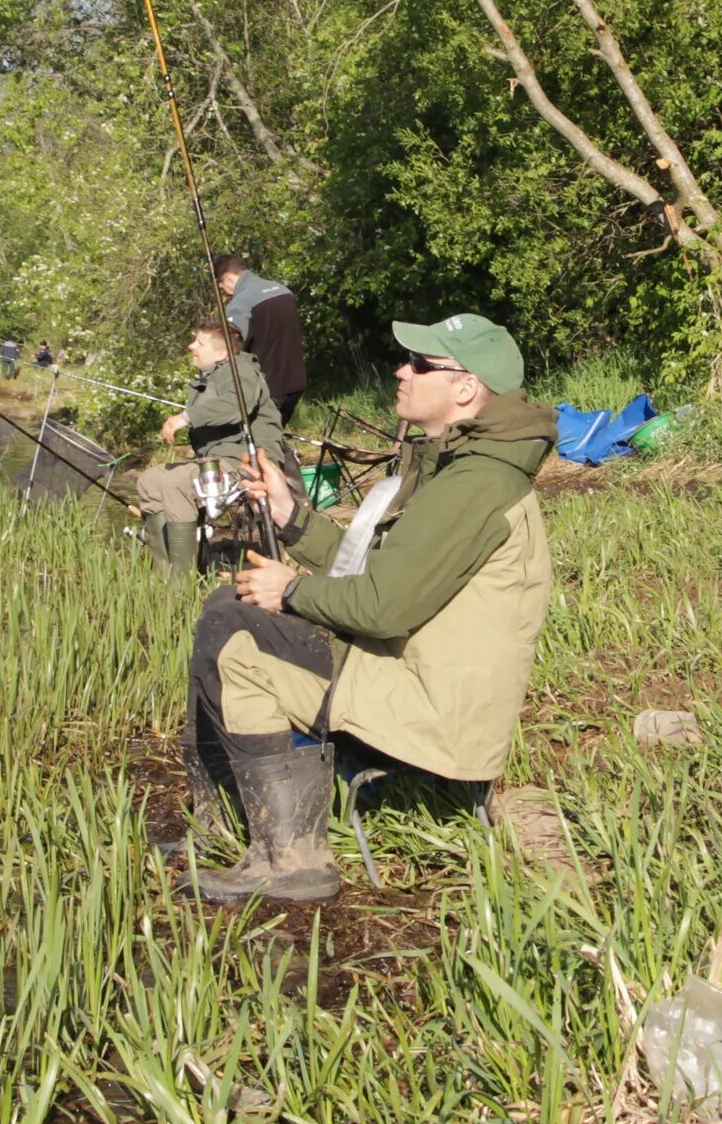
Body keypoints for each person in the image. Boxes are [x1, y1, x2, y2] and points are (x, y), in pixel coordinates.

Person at [172, 312, 554, 904]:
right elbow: (372, 564)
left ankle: (293, 858)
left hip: (429, 711)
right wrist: (290, 517)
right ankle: (222, 822)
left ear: (465, 388)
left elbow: (379, 608)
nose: (403, 371)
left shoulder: (476, 482)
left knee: (237, 642)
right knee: (229, 604)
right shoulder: (451, 463)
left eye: (421, 364)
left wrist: (291, 591)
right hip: (403, 669)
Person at [133, 321, 289, 573]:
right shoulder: (214, 375)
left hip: (246, 462)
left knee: (175, 484)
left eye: (199, 342)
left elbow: (237, 405)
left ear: (221, 353)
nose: (191, 346)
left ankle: (180, 583)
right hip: (215, 460)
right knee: (149, 480)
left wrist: (185, 418)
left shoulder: (241, 371)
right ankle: (162, 574)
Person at [213, 254, 308, 425]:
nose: (225, 294)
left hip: (268, 390)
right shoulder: (283, 290)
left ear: (227, 278)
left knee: (258, 445)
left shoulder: (240, 304)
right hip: (296, 382)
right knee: (274, 438)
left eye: (222, 289)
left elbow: (232, 350)